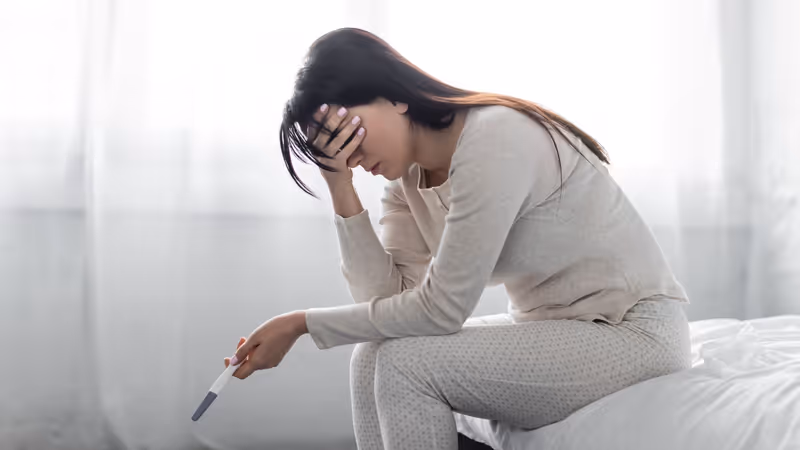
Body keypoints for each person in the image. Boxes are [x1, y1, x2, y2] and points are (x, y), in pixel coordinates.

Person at [223, 27, 693, 450]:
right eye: (332, 149)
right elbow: (384, 303)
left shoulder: (496, 137)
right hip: (555, 326)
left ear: (395, 97)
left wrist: (301, 324)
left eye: (347, 133)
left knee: (405, 364)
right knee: (371, 355)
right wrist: (339, 185)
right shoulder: (405, 178)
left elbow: (442, 310)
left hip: (632, 332)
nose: (349, 154)